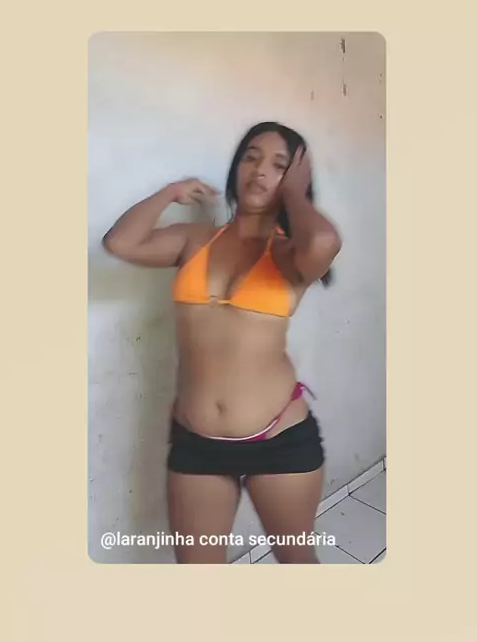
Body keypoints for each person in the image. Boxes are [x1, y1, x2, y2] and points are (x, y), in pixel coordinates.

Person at [103, 121, 342, 563]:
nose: (260, 170)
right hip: (197, 443)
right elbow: (120, 243)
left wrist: (295, 194)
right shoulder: (195, 240)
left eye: (279, 165)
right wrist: (169, 192)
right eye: (251, 157)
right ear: (236, 167)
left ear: (294, 179)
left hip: (280, 439)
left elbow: (325, 240)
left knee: (298, 564)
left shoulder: (289, 253)